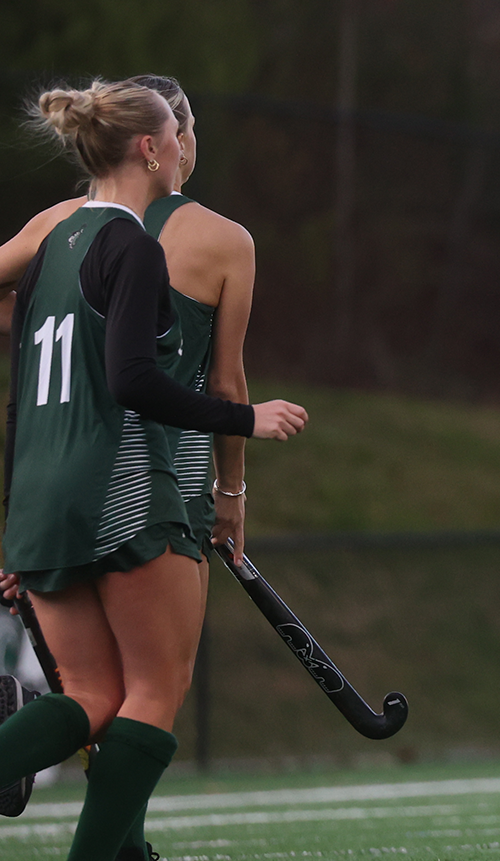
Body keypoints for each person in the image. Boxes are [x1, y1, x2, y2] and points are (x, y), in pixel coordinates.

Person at [0, 79, 306, 860]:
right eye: (175, 132)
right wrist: (246, 427)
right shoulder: (139, 243)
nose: (181, 146)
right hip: (129, 486)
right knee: (152, 694)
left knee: (92, 695)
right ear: (150, 146)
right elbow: (144, 381)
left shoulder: (48, 240)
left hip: (37, 499)